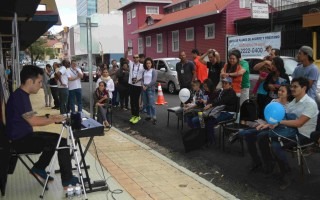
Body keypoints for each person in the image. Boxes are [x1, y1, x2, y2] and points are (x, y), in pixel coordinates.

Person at [5, 65, 78, 188]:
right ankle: (67, 180)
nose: (41, 85)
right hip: (19, 141)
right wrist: (52, 119)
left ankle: (39, 168)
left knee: (54, 139)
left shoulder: (21, 94)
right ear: (29, 81)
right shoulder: (20, 97)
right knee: (62, 142)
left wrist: (52, 117)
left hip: (23, 136)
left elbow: (29, 115)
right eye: (39, 82)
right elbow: (33, 121)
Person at [257, 77, 318, 190]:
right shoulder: (293, 102)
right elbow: (284, 118)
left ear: (304, 88)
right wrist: (269, 124)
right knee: (262, 136)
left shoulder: (310, 103)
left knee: (276, 144)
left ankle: (286, 173)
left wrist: (278, 122)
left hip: (304, 135)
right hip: (290, 130)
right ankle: (270, 165)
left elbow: (299, 123)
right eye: (292, 86)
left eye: (295, 86)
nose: (292, 89)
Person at [229, 84, 293, 171]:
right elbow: (268, 115)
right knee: (250, 135)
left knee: (255, 134)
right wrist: (265, 123)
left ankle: (240, 133)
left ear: (288, 94)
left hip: (277, 129)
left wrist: (267, 124)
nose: (280, 92)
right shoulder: (274, 101)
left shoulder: (289, 106)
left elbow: (282, 122)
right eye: (279, 90)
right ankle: (256, 161)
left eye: (283, 91)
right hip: (267, 124)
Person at [191, 77, 237, 145]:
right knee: (197, 118)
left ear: (230, 85)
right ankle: (202, 136)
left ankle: (209, 139)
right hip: (212, 110)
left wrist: (209, 104)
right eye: (223, 83)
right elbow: (212, 102)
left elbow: (221, 101)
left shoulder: (227, 92)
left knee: (206, 120)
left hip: (225, 112)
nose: (223, 84)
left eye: (226, 83)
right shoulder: (220, 91)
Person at [141, 57, 158, 125]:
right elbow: (142, 80)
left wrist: (147, 86)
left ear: (151, 64)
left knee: (151, 104)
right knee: (146, 103)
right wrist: (143, 85)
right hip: (144, 88)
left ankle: (154, 117)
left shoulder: (153, 71)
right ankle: (148, 115)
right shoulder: (144, 71)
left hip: (150, 88)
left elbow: (154, 80)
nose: (148, 64)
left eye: (149, 63)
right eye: (147, 63)